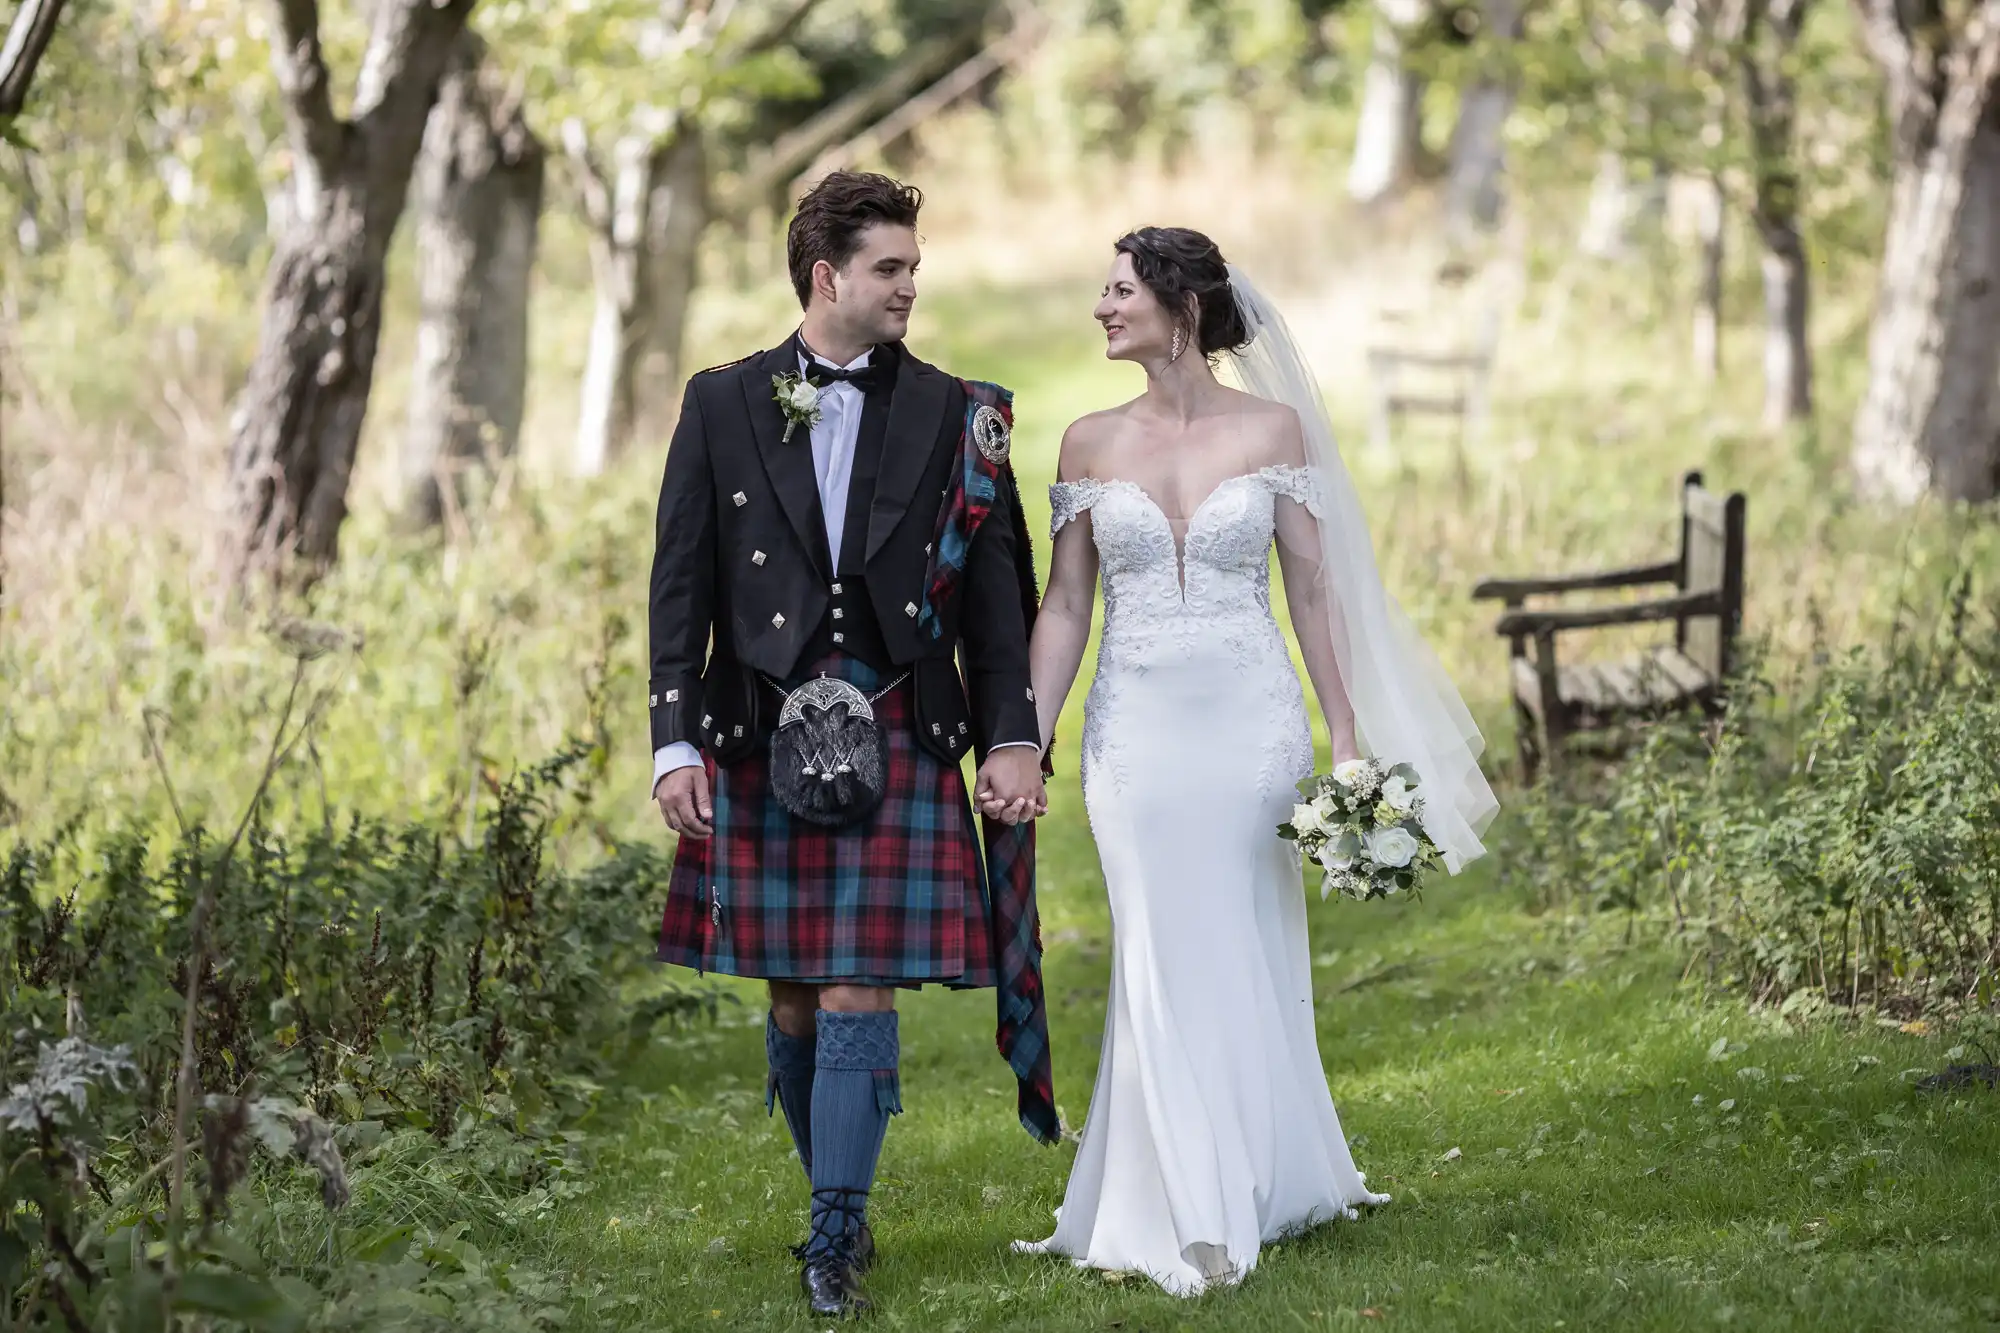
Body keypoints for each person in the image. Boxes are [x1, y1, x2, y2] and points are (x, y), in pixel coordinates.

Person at [1014, 227, 1498, 1296]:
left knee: (1237, 938)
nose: (1100, 308)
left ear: (1180, 308)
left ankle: (1258, 1174)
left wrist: (1347, 735)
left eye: (1118, 291)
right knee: (1152, 939)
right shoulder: (1086, 442)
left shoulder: (1274, 428)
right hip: (1133, 730)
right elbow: (1064, 606)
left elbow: (1313, 592)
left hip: (1250, 723)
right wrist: (1027, 735)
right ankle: (1178, 1200)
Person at [648, 171, 1058, 1319]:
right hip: (755, 725)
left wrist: (1011, 736)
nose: (909, 287)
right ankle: (842, 1200)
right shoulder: (722, 400)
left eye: (913, 268)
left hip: (897, 716)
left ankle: (832, 1233)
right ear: (826, 276)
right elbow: (679, 584)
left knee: (851, 981)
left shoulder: (953, 410)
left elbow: (993, 593)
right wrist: (671, 745)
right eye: (889, 268)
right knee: (789, 994)